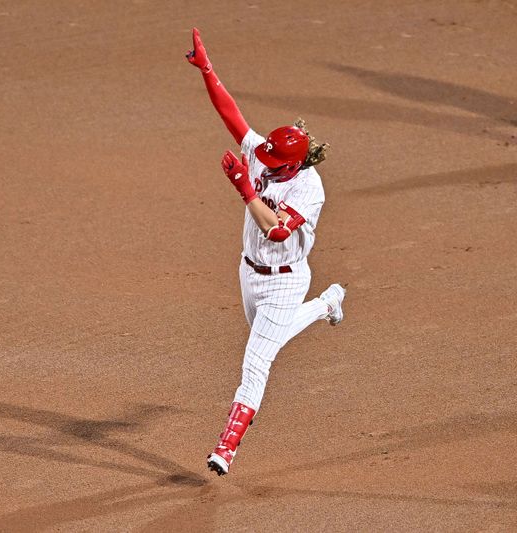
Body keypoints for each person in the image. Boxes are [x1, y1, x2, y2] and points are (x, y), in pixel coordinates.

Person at [185, 28, 347, 476]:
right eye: (267, 162)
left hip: (286, 277)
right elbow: (230, 113)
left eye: (277, 167)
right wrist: (208, 70)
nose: (268, 168)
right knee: (268, 343)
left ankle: (225, 449)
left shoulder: (308, 187)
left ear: (294, 166)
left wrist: (243, 190)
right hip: (249, 275)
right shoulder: (262, 153)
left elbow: (276, 231)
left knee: (257, 361)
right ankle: (327, 304)